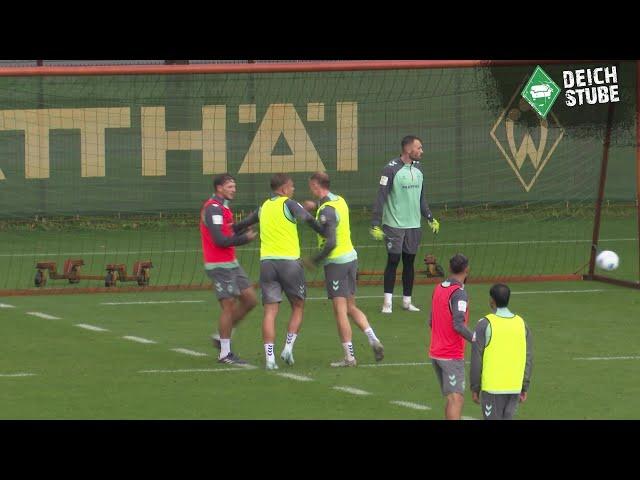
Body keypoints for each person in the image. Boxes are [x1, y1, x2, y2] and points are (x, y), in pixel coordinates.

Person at [234, 173, 323, 370]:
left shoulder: (263, 207)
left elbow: (240, 226)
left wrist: (231, 232)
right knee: (298, 306)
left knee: (270, 312)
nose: (293, 190)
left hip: (267, 264)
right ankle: (288, 348)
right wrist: (325, 232)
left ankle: (270, 359)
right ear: (283, 189)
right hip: (290, 263)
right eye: (291, 187)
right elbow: (309, 220)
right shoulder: (290, 204)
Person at [302, 172, 385, 367]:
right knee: (351, 307)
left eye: (311, 185)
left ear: (316, 185)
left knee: (340, 311)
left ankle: (349, 357)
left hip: (336, 263)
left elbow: (330, 241)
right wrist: (312, 212)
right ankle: (373, 339)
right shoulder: (338, 200)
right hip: (351, 259)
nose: (309, 189)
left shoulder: (326, 210)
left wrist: (314, 260)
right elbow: (328, 222)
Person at [370, 135, 440, 314]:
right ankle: (387, 303)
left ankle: (407, 302)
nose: (422, 151)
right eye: (419, 148)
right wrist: (376, 223)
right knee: (393, 260)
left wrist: (430, 217)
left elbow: (421, 198)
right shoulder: (390, 170)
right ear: (409, 150)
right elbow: (381, 197)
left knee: (409, 262)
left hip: (413, 225)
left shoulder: (419, 169)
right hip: (393, 224)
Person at [200, 173, 258, 365]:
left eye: (234, 186)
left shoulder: (223, 208)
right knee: (229, 306)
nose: (234, 189)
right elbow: (220, 240)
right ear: (219, 188)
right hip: (219, 264)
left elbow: (230, 230)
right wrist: (245, 239)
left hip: (231, 263)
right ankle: (225, 353)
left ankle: (221, 336)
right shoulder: (213, 209)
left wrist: (253, 219)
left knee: (250, 299)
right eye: (230, 186)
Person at [470, 284, 533, 420]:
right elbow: (528, 358)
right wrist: (524, 386)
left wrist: (475, 387)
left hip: (493, 388)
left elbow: (476, 359)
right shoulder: (522, 324)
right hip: (514, 387)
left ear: (492, 300)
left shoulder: (485, 324)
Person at [428, 253, 475, 420]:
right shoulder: (459, 293)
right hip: (451, 355)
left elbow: (431, 321)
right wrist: (476, 339)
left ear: (449, 268)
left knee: (451, 399)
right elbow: (458, 324)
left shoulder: (439, 288)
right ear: (467, 269)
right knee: (457, 399)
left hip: (436, 352)